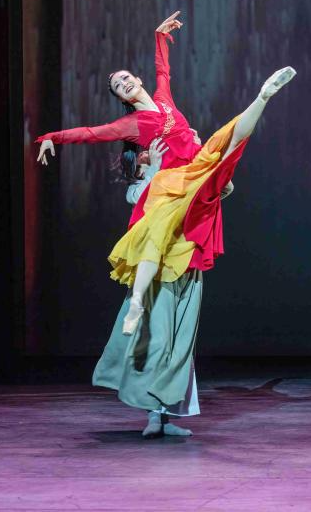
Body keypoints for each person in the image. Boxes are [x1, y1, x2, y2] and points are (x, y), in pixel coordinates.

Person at [36, 11, 295, 335]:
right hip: (175, 182)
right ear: (121, 98)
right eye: (118, 86)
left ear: (138, 80)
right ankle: (137, 302)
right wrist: (52, 137)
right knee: (155, 236)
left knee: (229, 135)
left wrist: (160, 37)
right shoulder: (131, 124)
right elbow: (91, 133)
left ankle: (263, 95)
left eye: (126, 78)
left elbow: (163, 71)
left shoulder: (162, 99)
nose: (124, 83)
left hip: (198, 162)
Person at [92, 137, 231, 437]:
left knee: (180, 344)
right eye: (146, 151)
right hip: (159, 272)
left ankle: (165, 416)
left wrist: (205, 156)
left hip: (189, 268)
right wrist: (155, 168)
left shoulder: (185, 174)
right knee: (157, 341)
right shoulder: (142, 183)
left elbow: (224, 189)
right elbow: (143, 199)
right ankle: (154, 415)